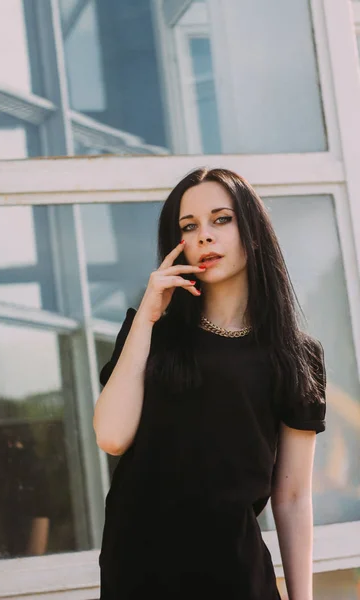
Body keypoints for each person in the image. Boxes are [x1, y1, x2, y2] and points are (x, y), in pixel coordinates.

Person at [93, 168, 327, 600]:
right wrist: (146, 316)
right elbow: (110, 436)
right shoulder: (151, 334)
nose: (204, 236)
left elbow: (292, 496)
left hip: (234, 574)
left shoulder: (295, 354)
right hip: (140, 570)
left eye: (222, 219)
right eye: (189, 226)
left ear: (252, 230)